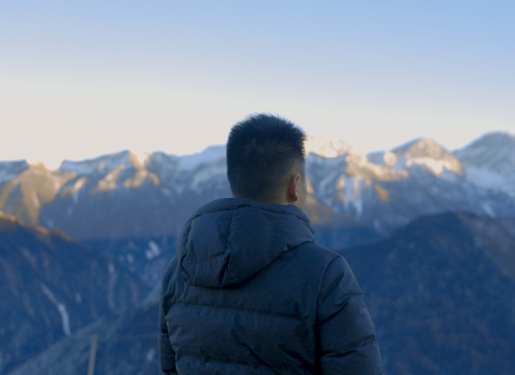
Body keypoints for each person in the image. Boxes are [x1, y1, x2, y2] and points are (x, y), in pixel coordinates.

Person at [158, 114, 383, 374]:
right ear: (294, 185)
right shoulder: (326, 275)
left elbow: (170, 367)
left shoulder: (179, 271)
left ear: (234, 181)